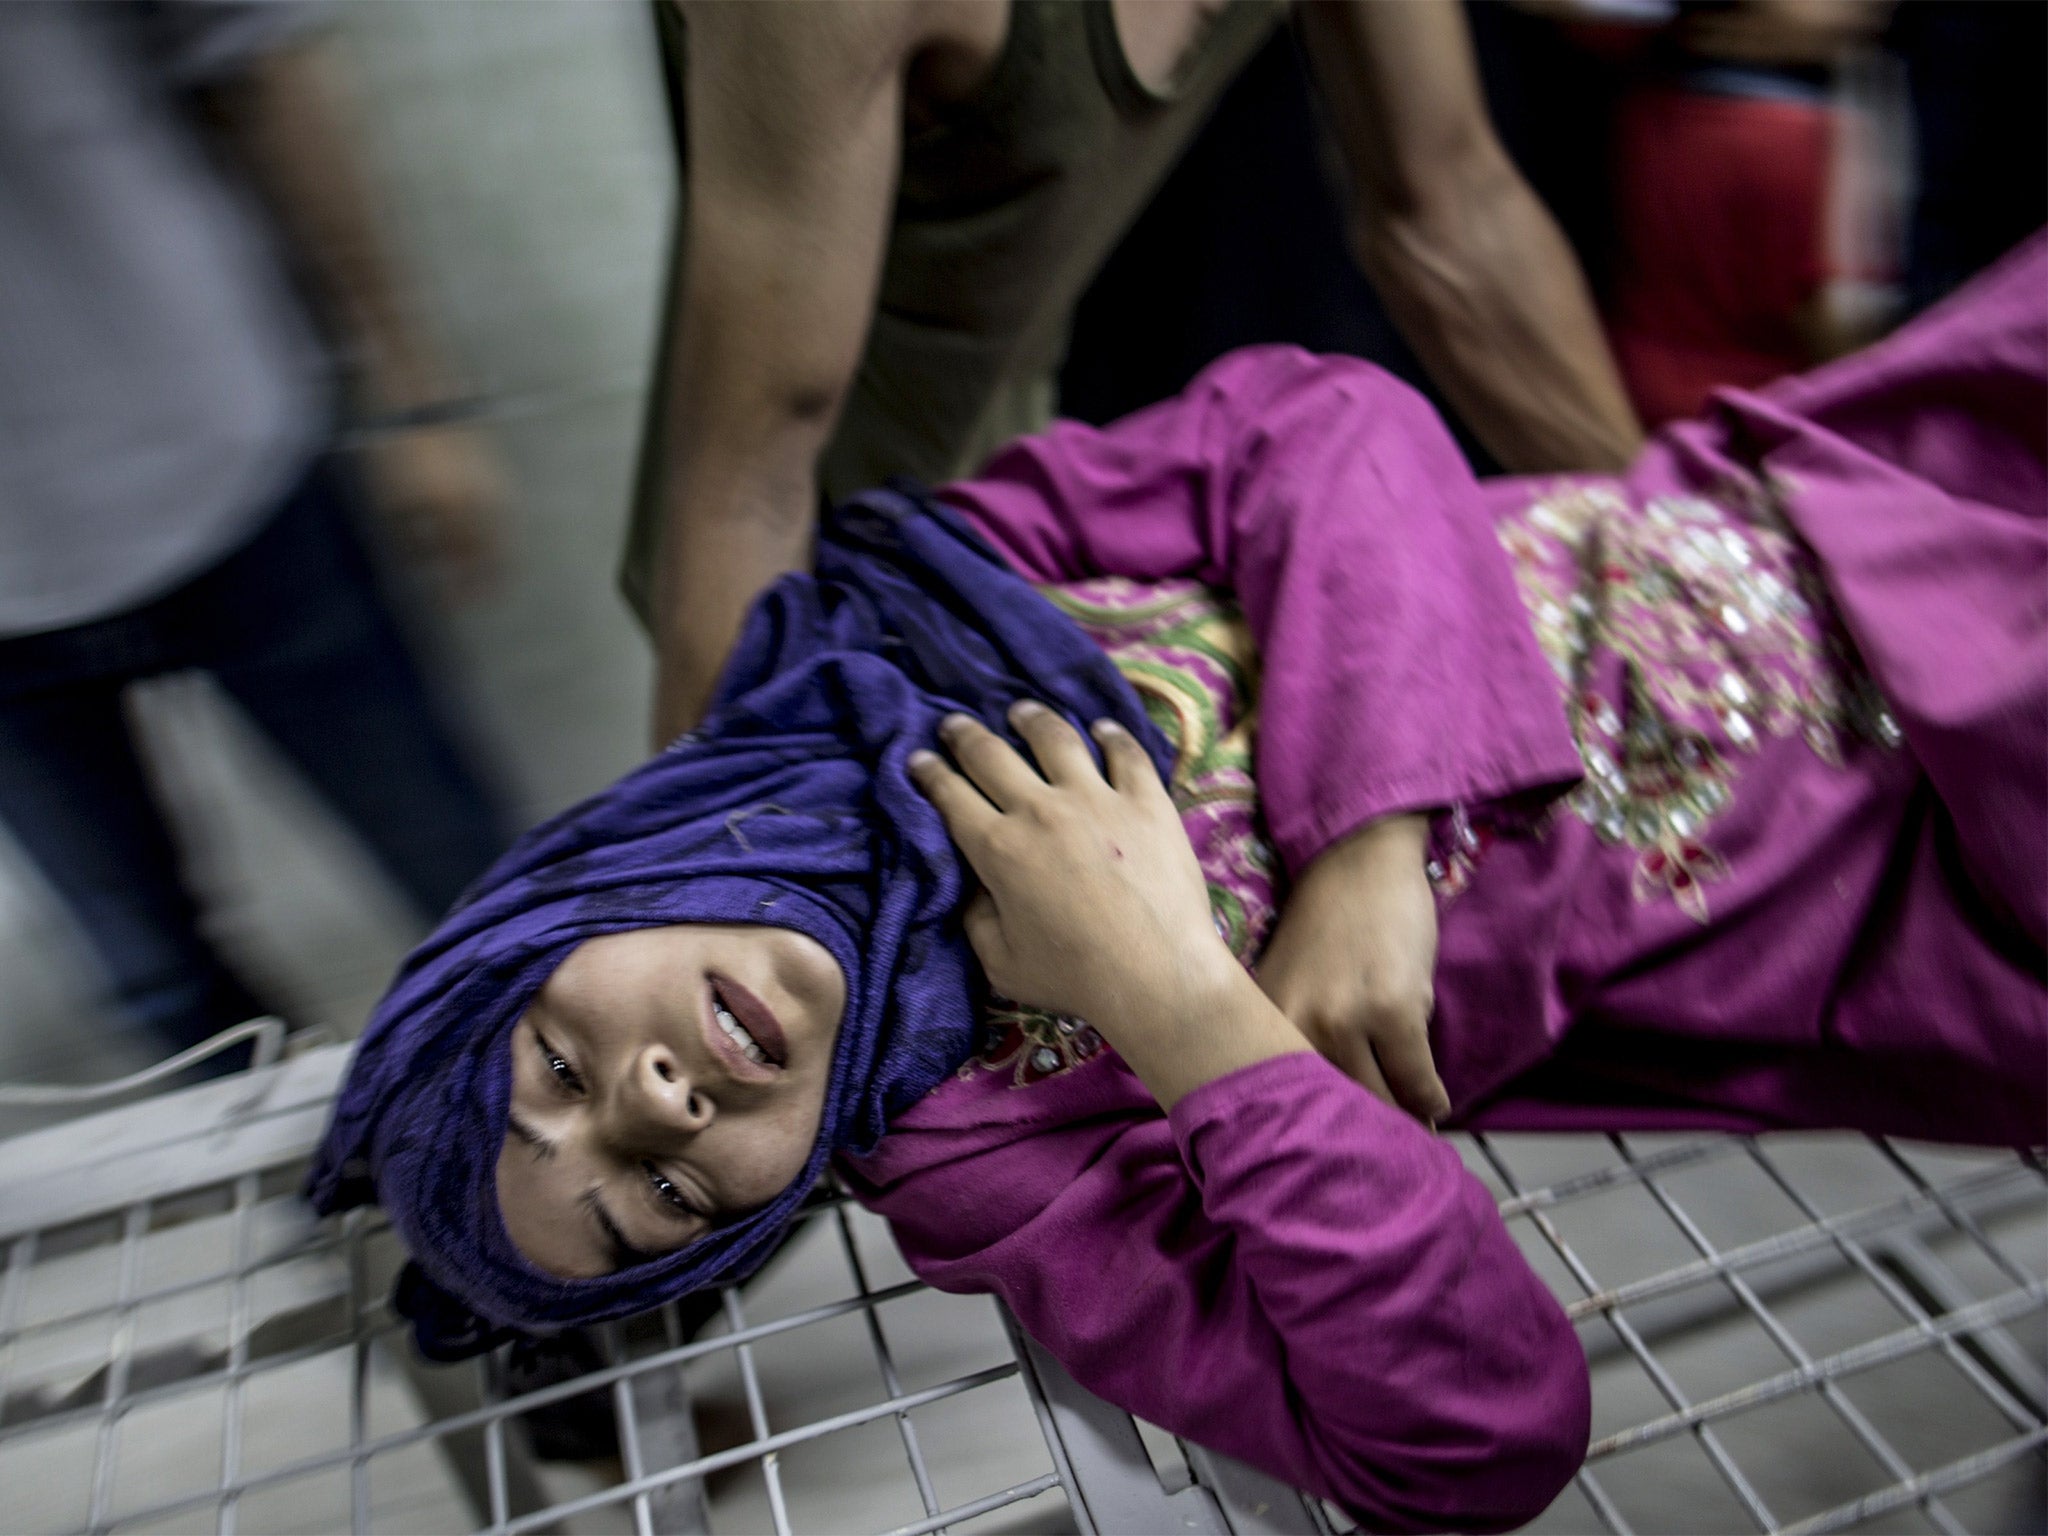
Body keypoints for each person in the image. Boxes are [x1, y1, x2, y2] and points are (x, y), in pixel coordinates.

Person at [314, 236, 2047, 1530]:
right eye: (669, 1196)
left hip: (1854, 491)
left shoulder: (878, 625)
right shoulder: (991, 1155)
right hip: (1911, 867)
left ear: (547, 920)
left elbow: (1321, 417)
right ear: (764, 1216)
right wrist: (1178, 1002)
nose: (662, 1102)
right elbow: (1470, 1439)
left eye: (558, 1069)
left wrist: (1372, 855)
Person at [626, 0, 1647, 745]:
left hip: (1030, 534)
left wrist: (1695, 559)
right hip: (809, 602)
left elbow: (1454, 223)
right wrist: (706, 884)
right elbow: (746, 489)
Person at [0, 2, 509, 1059]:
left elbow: (257, 61)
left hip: (223, 437)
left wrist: (411, 399)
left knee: (481, 893)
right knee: (163, 990)